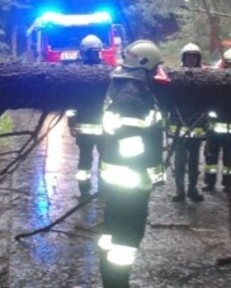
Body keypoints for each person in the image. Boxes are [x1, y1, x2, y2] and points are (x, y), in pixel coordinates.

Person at [97, 40, 167, 287]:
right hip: (130, 180)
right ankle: (117, 283)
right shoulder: (132, 96)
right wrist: (144, 174)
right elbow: (130, 142)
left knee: (112, 231)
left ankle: (111, 278)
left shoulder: (122, 87)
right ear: (144, 66)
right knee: (126, 238)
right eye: (154, 68)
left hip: (119, 178)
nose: (156, 73)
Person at [66, 34, 105, 198]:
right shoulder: (80, 74)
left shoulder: (106, 72)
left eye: (97, 52)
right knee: (85, 161)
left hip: (102, 125)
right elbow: (71, 102)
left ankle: (103, 190)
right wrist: (71, 122)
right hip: (87, 126)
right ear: (85, 53)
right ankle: (85, 191)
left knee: (105, 161)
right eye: (93, 53)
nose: (96, 56)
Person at [168, 43, 207, 203]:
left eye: (194, 57)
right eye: (188, 57)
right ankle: (180, 190)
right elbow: (168, 99)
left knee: (193, 161)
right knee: (179, 160)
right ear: (184, 58)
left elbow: (209, 101)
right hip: (178, 125)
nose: (191, 60)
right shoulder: (175, 77)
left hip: (197, 125)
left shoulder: (205, 79)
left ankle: (192, 188)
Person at [203, 48, 231, 195]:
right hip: (214, 129)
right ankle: (209, 182)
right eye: (230, 64)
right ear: (224, 64)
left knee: (230, 161)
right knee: (211, 158)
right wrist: (207, 121)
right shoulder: (216, 81)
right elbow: (208, 104)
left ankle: (228, 185)